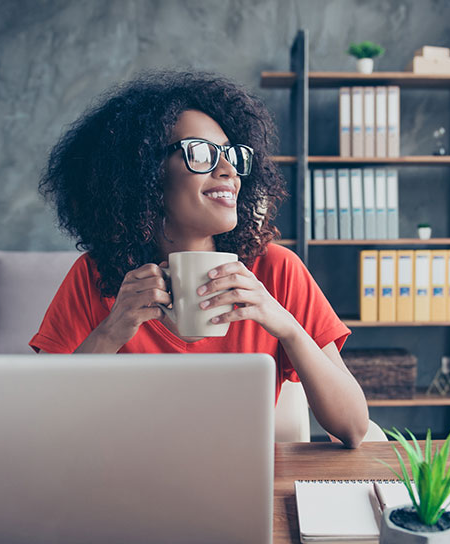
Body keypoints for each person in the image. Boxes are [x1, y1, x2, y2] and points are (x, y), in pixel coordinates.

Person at [31, 71, 369, 448]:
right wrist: (111, 332)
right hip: (123, 486)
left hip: (241, 486)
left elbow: (354, 428)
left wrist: (287, 327)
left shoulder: (276, 269)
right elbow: (41, 419)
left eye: (231, 155)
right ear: (144, 172)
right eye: (203, 153)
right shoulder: (96, 276)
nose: (228, 171)